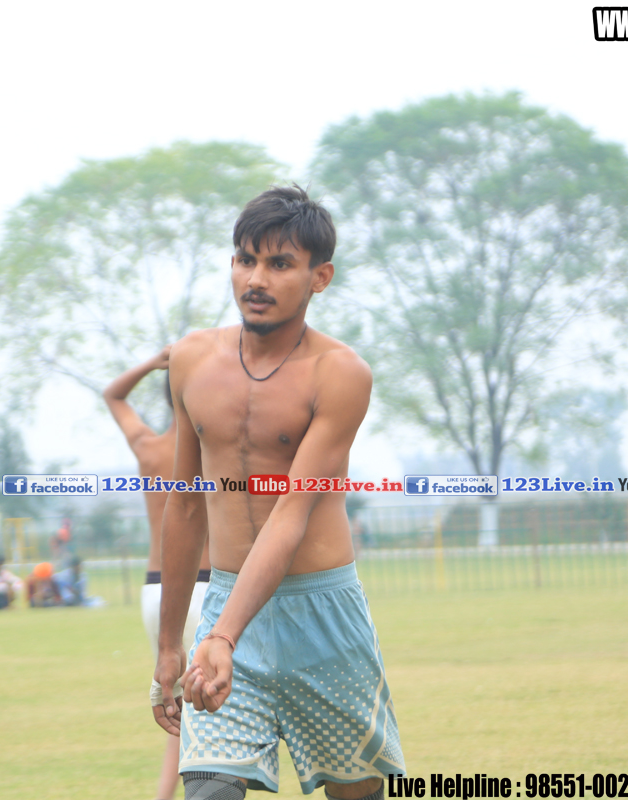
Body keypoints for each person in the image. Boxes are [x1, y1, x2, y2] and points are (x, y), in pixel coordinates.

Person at [152, 185, 404, 799]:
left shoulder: (340, 374)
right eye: (246, 259)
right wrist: (169, 645)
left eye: (279, 263)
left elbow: (291, 514)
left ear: (320, 277)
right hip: (225, 603)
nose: (256, 279)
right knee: (210, 790)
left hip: (324, 618)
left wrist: (222, 636)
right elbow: (185, 504)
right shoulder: (190, 360)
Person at [105, 345, 213, 800]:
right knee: (214, 708)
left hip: (156, 592)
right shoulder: (215, 454)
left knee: (178, 710)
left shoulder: (148, 449)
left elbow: (113, 396)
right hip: (206, 586)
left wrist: (153, 363)